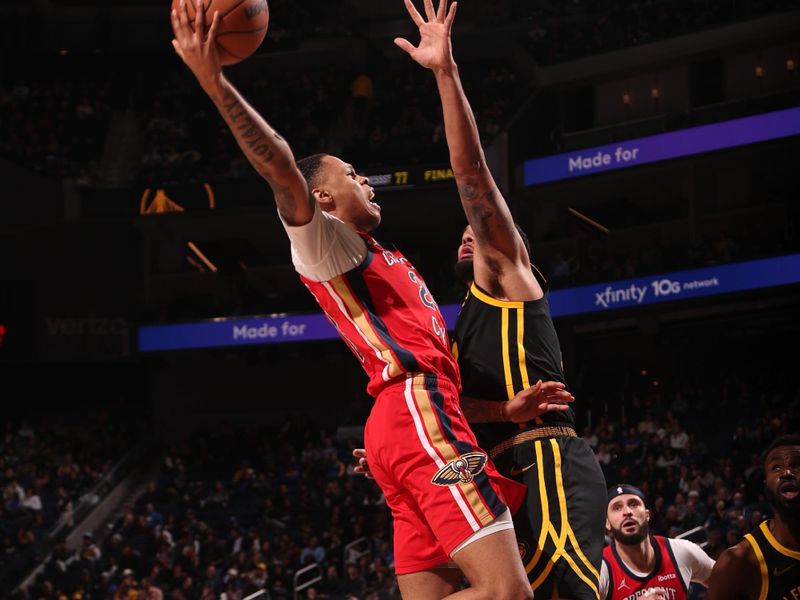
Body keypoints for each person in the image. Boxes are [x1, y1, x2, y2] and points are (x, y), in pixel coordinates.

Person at [170, 1, 540, 598]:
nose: (366, 180)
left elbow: (432, 373)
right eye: (352, 173)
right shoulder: (328, 246)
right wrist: (216, 82)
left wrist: (502, 413)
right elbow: (282, 168)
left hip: (403, 426)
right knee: (507, 593)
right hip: (416, 417)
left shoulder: (388, 258)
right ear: (322, 199)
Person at [395, 0, 609, 597]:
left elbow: (473, 180)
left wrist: (445, 74)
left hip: (546, 464)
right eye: (465, 233)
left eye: (479, 230)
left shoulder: (510, 279)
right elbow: (472, 411)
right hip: (493, 475)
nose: (470, 232)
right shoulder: (459, 326)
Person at [706, 435, 800, 600]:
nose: (786, 472)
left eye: (797, 465)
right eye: (776, 467)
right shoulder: (738, 562)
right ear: (766, 484)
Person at [601, 484, 714, 600]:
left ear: (647, 515)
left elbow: (727, 584)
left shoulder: (681, 551)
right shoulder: (598, 569)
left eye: (633, 504)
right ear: (607, 523)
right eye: (617, 508)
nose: (627, 511)